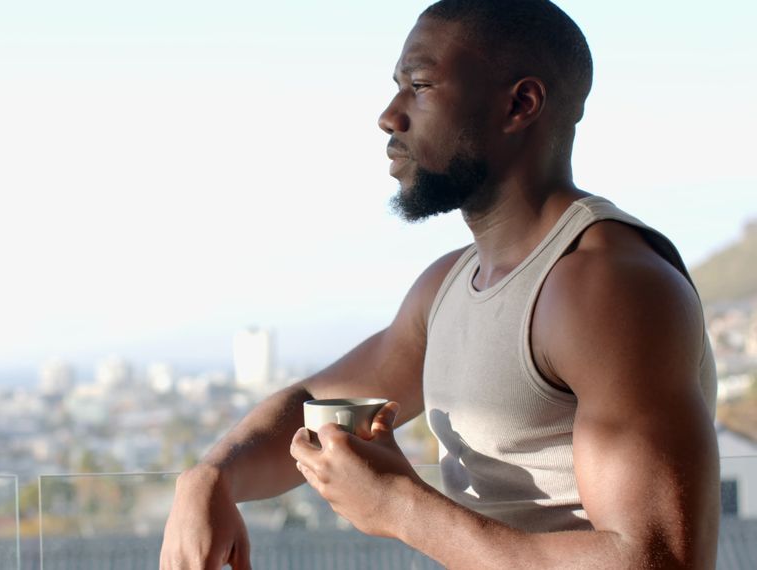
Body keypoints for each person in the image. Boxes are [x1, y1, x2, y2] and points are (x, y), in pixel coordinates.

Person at [159, 0, 720, 568]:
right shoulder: (447, 285)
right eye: (397, 87)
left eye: (421, 86)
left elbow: (660, 558)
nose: (389, 116)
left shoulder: (606, 286)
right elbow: (315, 403)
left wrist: (400, 508)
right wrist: (210, 476)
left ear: (520, 104)